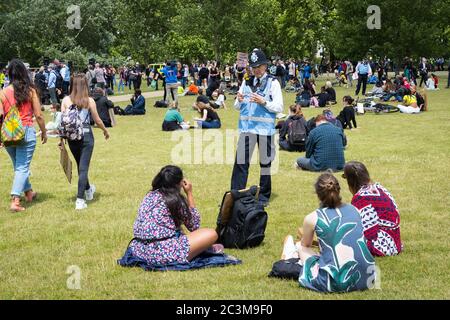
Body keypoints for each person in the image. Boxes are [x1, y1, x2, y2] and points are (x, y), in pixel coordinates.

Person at [270, 173, 376, 293]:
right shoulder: (355, 210)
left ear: (318, 194)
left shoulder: (313, 218)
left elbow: (306, 245)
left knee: (300, 246)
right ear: (339, 190)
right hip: (368, 277)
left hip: (337, 282)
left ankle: (290, 256)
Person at [128, 166, 220, 266]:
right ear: (179, 183)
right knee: (212, 234)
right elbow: (194, 225)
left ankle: (201, 248)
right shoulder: (175, 200)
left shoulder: (150, 195)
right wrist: (189, 193)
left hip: (140, 250)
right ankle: (202, 249)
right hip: (163, 254)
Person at [231, 49, 284, 206]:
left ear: (265, 66)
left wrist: (264, 102)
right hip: (247, 129)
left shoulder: (273, 83)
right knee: (240, 163)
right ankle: (236, 195)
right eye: (254, 67)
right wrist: (239, 100)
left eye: (259, 66)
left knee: (265, 164)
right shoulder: (246, 82)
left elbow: (279, 107)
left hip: (264, 130)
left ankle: (264, 197)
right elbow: (236, 106)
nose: (256, 70)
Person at [0, 59, 48, 212]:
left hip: (8, 134)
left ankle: (28, 193)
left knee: (19, 165)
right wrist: (44, 132)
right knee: (22, 167)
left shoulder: (3, 93)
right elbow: (39, 115)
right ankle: (15, 200)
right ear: (24, 73)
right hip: (26, 132)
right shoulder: (30, 91)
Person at [59, 74, 110, 210]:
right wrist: (105, 130)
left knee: (80, 166)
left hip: (71, 137)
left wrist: (61, 140)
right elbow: (97, 120)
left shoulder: (65, 100)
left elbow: (62, 123)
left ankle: (88, 191)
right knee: (83, 168)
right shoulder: (89, 101)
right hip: (86, 136)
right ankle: (80, 200)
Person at [342, 161, 402, 257]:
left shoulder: (360, 198)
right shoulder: (379, 188)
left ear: (350, 181)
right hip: (395, 242)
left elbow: (369, 233)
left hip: (383, 245)